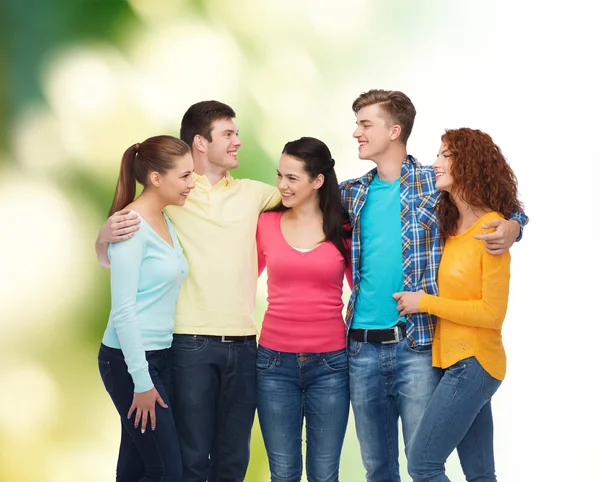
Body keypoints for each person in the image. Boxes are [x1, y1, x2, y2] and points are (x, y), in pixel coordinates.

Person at [339, 89, 528, 482]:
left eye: (365, 124)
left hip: (417, 345)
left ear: (394, 130)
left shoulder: (432, 182)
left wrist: (515, 226)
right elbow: (299, 193)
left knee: (422, 462)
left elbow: (497, 207)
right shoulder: (351, 193)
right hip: (360, 346)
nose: (356, 132)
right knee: (377, 468)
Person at [95, 101, 280, 482]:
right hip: (178, 347)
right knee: (180, 462)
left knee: (220, 460)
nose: (238, 142)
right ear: (200, 142)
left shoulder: (252, 194)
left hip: (232, 344)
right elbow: (120, 273)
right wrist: (102, 240)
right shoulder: (167, 198)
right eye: (228, 134)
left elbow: (308, 197)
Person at [396, 128, 521, 482]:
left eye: (444, 155)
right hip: (456, 363)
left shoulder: (491, 229)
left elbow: (491, 314)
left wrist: (426, 303)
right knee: (480, 474)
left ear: (468, 163)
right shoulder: (450, 225)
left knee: (423, 464)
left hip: (474, 362)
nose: (435, 163)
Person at [98, 135, 194, 482]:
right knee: (166, 469)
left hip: (158, 356)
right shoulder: (131, 225)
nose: (191, 183)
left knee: (138, 463)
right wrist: (141, 381)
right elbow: (123, 310)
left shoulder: (164, 221)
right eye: (184, 176)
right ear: (156, 178)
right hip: (129, 362)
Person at [255, 137, 352, 482]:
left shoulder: (343, 228)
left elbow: (363, 292)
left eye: (292, 178)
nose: (282, 185)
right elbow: (238, 280)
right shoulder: (265, 223)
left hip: (331, 366)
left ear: (318, 180)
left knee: (325, 474)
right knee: (283, 473)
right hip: (272, 365)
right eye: (280, 175)